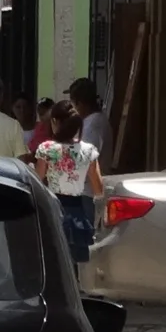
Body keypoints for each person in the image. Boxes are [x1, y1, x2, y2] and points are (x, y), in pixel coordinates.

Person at [30, 100, 104, 269]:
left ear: (55, 122)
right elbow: (98, 188)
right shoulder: (89, 150)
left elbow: (37, 180)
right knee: (76, 265)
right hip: (79, 211)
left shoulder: (47, 148)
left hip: (53, 208)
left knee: (52, 262)